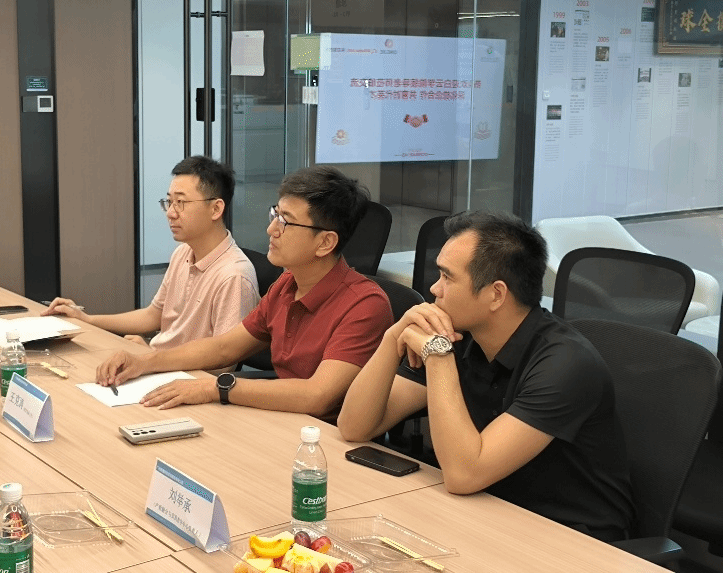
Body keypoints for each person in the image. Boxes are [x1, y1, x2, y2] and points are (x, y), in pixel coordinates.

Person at [337, 211, 635, 541]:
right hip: (486, 512)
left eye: (447, 277)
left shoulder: (565, 363)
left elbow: (463, 475)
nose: (434, 288)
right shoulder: (461, 334)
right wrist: (393, 337)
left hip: (570, 540)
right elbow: (354, 426)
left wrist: (438, 358)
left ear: (496, 294)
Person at [95, 165, 394, 420]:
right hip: (278, 419)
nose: (271, 230)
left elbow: (317, 396)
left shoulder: (365, 305)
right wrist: (143, 362)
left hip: (325, 440)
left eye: (286, 222)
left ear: (325, 243)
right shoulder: (287, 284)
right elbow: (224, 348)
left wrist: (216, 388)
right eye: (275, 214)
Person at [43, 156, 259, 350]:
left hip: (183, 376)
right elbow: (153, 315)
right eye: (169, 202)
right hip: (158, 364)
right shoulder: (183, 253)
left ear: (216, 209)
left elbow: (222, 363)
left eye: (181, 203)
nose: (171, 213)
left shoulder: (234, 276)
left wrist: (151, 357)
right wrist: (87, 319)